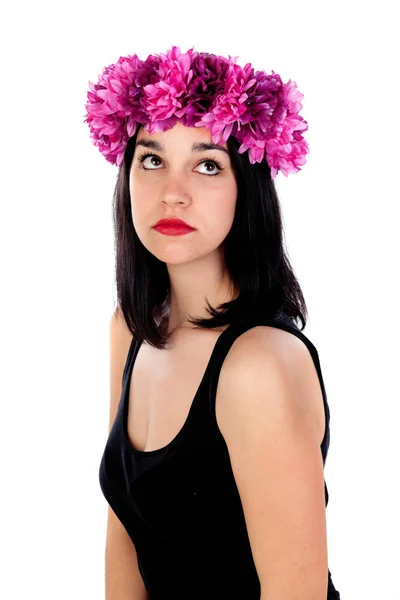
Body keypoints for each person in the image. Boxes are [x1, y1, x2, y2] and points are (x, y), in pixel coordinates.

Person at [84, 45, 341, 599]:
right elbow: (124, 531)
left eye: (206, 165)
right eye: (152, 160)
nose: (172, 194)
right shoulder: (128, 331)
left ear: (246, 189)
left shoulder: (259, 364)